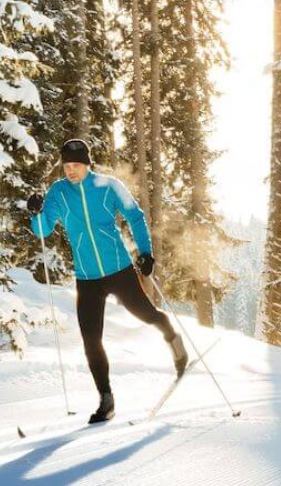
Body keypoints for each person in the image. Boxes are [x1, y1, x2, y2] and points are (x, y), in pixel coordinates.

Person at [27, 138, 188, 423]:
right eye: (66, 166)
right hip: (87, 278)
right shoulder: (58, 192)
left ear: (87, 164)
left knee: (147, 314)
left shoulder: (109, 185)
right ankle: (106, 398)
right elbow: (43, 230)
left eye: (76, 165)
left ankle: (171, 335)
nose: (71, 171)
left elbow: (135, 217)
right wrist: (35, 212)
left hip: (118, 269)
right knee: (91, 339)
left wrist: (146, 253)